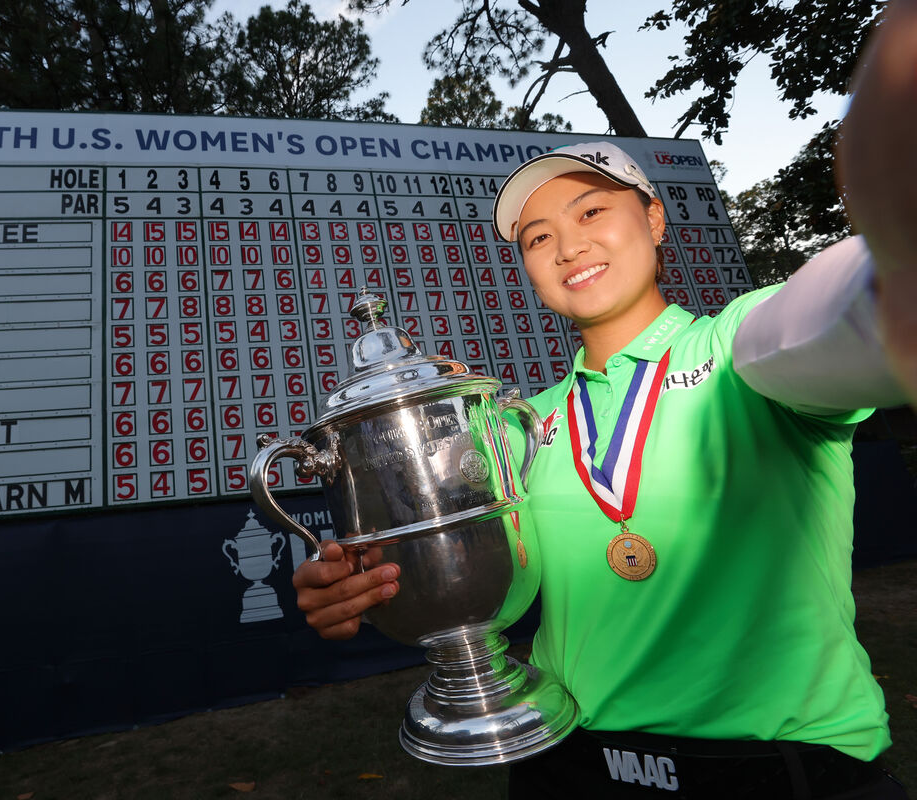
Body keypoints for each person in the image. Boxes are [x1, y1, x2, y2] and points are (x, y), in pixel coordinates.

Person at [291, 2, 917, 797]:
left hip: (778, 769)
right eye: (538, 237)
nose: (569, 244)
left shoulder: (737, 348)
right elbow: (456, 564)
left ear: (654, 220)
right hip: (568, 763)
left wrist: (894, 247)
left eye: (592, 211)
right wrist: (365, 581)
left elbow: (829, 314)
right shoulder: (517, 426)